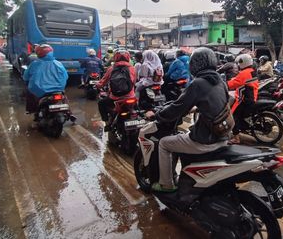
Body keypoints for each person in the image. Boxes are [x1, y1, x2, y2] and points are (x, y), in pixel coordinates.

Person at [145, 47, 229, 192]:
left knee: (164, 143)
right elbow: (223, 101)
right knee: (178, 140)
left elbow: (177, 107)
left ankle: (166, 185)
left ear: (195, 64)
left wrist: (156, 115)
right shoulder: (220, 81)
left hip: (205, 140)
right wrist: (199, 108)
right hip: (222, 136)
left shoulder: (198, 83)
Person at [23, 44, 68, 114]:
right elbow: (66, 76)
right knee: (64, 96)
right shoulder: (59, 63)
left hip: (40, 91)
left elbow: (25, 77)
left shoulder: (34, 64)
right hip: (58, 89)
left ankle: (31, 110)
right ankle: (70, 113)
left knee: (29, 93)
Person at [96, 50, 136, 129]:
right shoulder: (132, 68)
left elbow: (103, 82)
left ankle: (107, 122)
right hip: (130, 97)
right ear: (128, 58)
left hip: (115, 97)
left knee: (101, 103)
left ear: (115, 57)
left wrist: (98, 85)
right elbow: (134, 82)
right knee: (137, 109)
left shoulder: (111, 69)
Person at [227, 54, 259, 144]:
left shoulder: (244, 73)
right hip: (252, 96)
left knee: (232, 116)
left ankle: (236, 138)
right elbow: (240, 81)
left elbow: (233, 84)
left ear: (242, 63)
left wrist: (224, 84)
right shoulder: (251, 71)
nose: (237, 65)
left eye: (239, 63)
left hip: (245, 99)